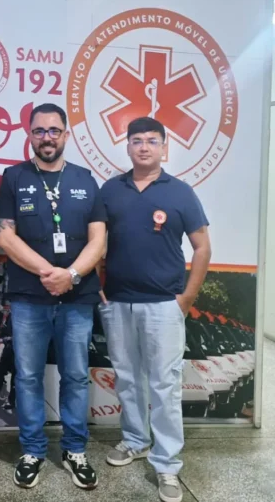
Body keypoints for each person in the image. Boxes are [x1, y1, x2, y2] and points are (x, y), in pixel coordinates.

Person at [98, 117, 211, 502]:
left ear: (164, 147)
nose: (143, 147)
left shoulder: (180, 192)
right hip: (117, 302)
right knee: (127, 378)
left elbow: (202, 248)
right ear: (127, 147)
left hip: (165, 304)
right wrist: (100, 288)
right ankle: (135, 440)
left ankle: (166, 464)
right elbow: (96, 242)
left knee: (164, 385)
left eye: (151, 140)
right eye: (136, 140)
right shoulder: (111, 190)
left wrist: (186, 299)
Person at [0, 103, 106, 490]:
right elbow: (5, 236)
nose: (47, 137)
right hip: (29, 296)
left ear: (66, 135)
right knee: (27, 377)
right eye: (39, 130)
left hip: (77, 297)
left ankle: (75, 450)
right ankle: (32, 451)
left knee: (75, 376)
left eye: (54, 130)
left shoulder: (85, 179)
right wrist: (50, 273)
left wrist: (70, 275)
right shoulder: (13, 177)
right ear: (29, 134)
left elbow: (98, 240)